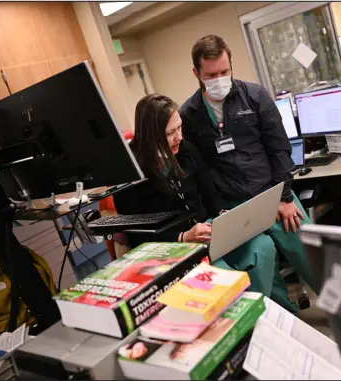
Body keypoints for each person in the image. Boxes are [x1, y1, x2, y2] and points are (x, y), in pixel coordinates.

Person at [179, 35, 318, 311]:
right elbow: (200, 170)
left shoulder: (255, 96)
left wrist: (286, 196)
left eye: (224, 71)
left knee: (314, 255)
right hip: (235, 207)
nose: (219, 79)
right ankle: (284, 321)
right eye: (211, 74)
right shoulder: (189, 114)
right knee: (263, 270)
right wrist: (218, 211)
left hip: (274, 196)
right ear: (196, 73)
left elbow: (279, 149)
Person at [113, 94, 277, 302]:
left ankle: (259, 309)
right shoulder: (129, 172)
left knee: (262, 247)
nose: (179, 137)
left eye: (179, 128)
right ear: (151, 135)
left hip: (206, 231)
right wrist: (183, 237)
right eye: (170, 133)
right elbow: (137, 236)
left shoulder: (186, 150)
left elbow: (210, 194)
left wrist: (222, 215)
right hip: (172, 246)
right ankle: (243, 318)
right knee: (225, 275)